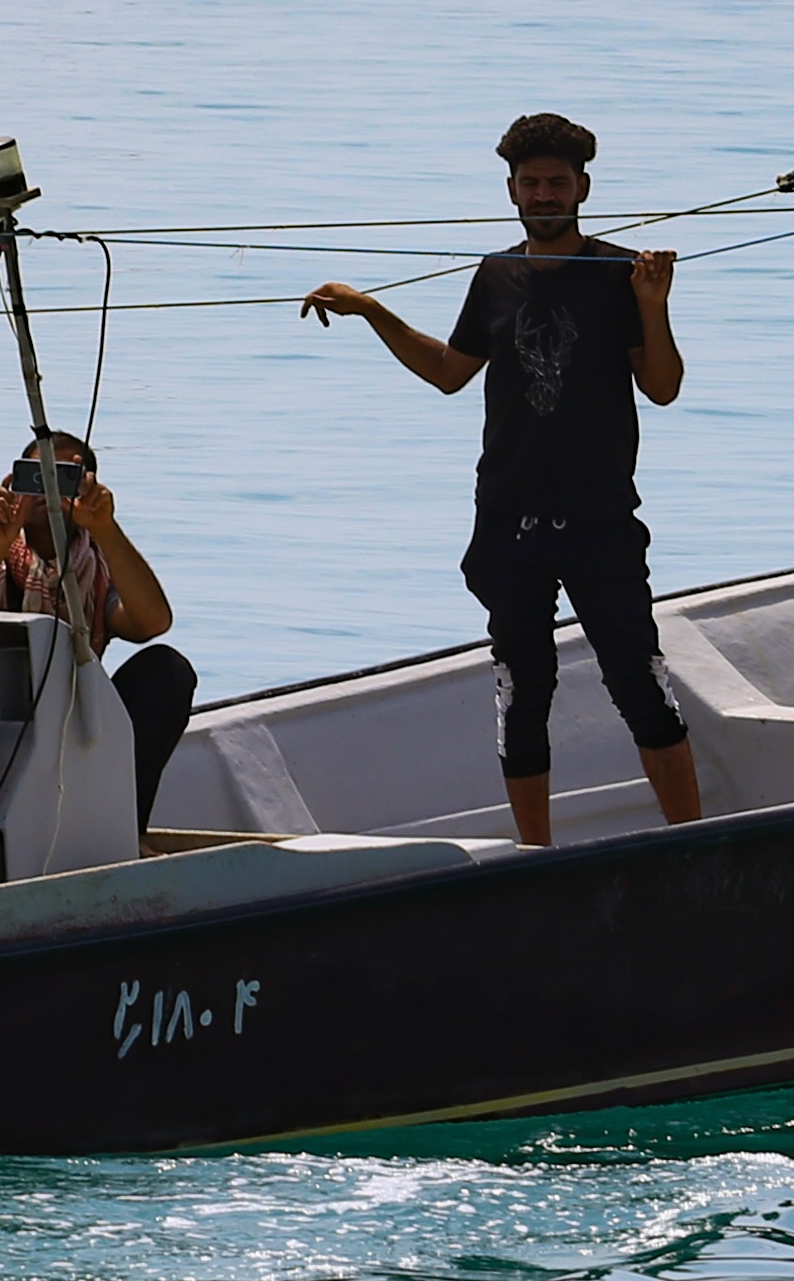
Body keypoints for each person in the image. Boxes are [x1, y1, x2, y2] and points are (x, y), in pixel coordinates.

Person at [301, 111, 706, 847]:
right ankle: (534, 856)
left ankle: (694, 844)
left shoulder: (621, 273)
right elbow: (451, 374)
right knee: (524, 691)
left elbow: (663, 387)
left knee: (639, 680)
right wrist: (371, 311)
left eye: (557, 182)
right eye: (531, 183)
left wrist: (654, 307)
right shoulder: (494, 275)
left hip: (601, 522)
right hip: (509, 520)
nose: (545, 194)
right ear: (512, 190)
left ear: (583, 187)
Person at [0, 428, 200, 829]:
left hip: (75, 717)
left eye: (63, 479)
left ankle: (126, 829)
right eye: (36, 476)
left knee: (168, 670)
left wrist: (105, 528)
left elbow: (151, 622)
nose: (47, 492)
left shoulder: (98, 568)